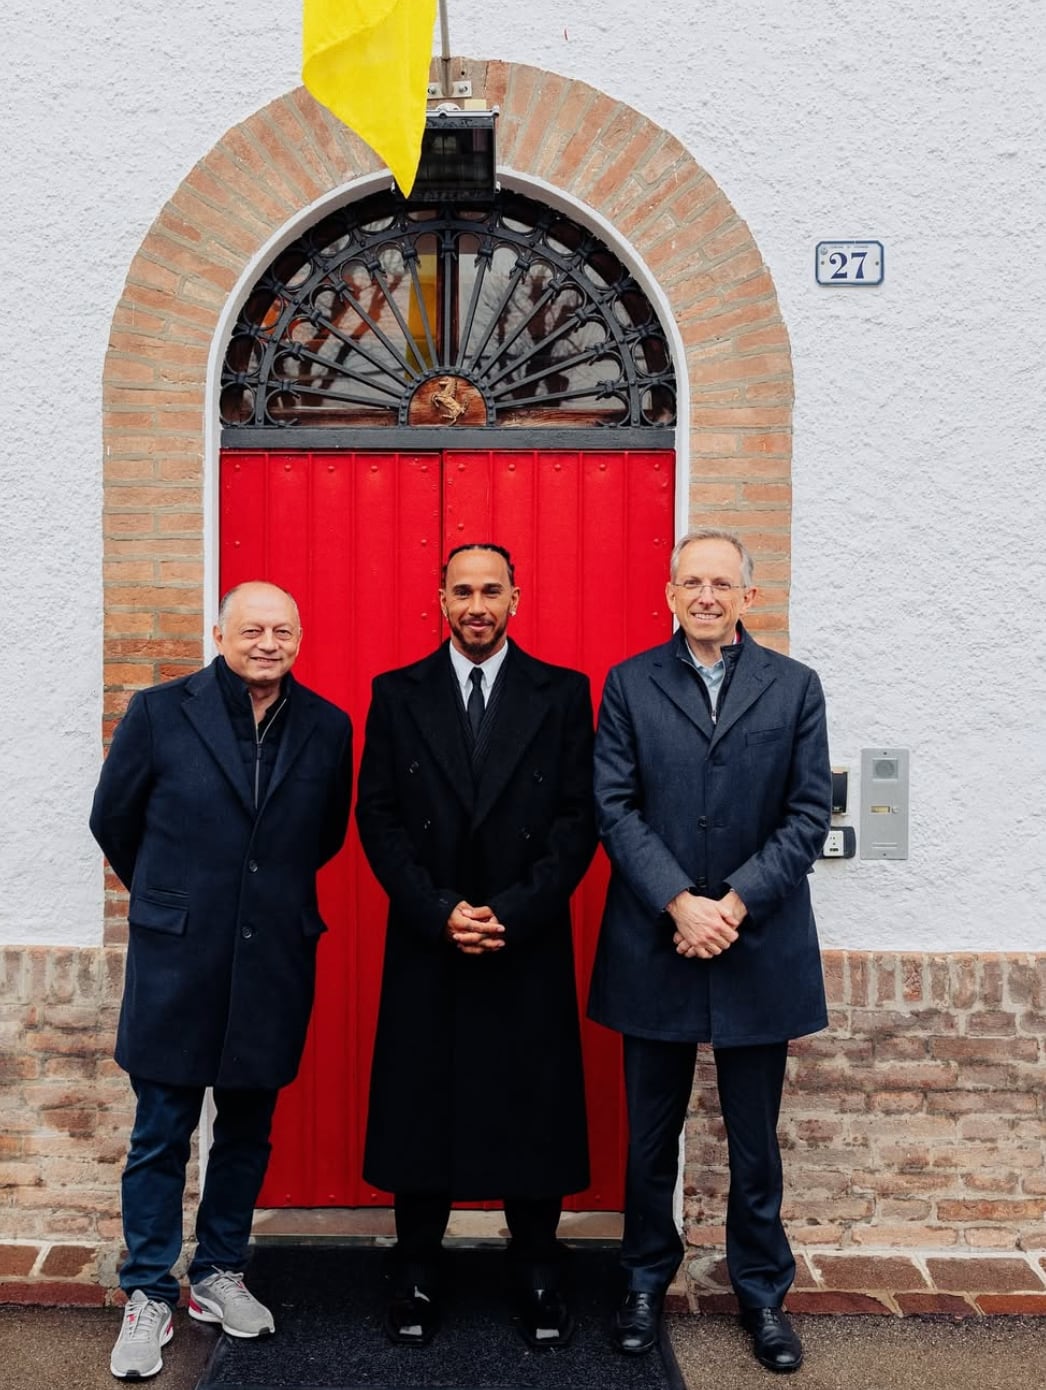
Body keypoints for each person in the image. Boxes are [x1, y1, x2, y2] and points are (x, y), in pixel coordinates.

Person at [90, 581, 353, 1381]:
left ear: (299, 638)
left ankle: (217, 1274)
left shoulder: (328, 726)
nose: (268, 642)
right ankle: (148, 1291)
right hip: (179, 957)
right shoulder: (160, 712)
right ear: (219, 632)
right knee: (161, 1130)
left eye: (282, 630)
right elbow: (114, 818)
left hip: (272, 955)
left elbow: (326, 835)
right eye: (252, 629)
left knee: (246, 1126)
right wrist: (174, 900)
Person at [588, 528, 832, 1371]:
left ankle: (763, 1295)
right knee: (650, 1138)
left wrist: (730, 904)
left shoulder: (796, 688)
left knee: (755, 1140)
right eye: (691, 582)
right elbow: (614, 807)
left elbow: (806, 816)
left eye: (722, 584)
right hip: (656, 939)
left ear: (746, 599)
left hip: (756, 942)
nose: (705, 596)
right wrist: (679, 902)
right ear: (669, 594)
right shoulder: (629, 684)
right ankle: (644, 1282)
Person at [355, 543, 596, 1349]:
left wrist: (516, 911)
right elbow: (378, 818)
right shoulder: (397, 693)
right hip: (431, 934)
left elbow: (577, 819)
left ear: (516, 598)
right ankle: (418, 1262)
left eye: (492, 590)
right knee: (424, 1100)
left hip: (523, 934)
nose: (478, 604)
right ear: (441, 598)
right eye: (463, 591)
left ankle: (537, 1262)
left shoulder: (562, 693)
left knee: (532, 1099)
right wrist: (440, 910)